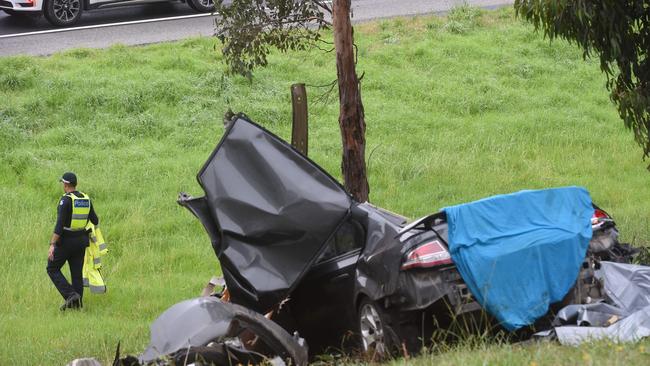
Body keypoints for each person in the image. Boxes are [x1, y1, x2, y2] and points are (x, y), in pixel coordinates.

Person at [47, 172, 99, 311]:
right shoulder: (86, 198)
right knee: (76, 274)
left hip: (66, 241)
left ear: (65, 184)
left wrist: (52, 244)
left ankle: (70, 295)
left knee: (52, 268)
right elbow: (95, 220)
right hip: (81, 241)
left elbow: (59, 225)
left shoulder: (66, 200)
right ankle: (77, 305)